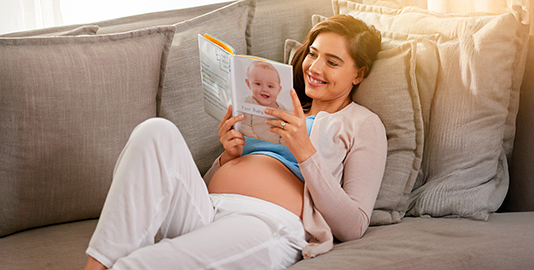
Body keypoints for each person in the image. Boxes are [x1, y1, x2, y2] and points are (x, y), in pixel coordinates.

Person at [84, 15, 385, 270]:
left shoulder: (361, 123)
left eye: (332, 62)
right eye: (313, 53)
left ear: (358, 74)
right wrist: (227, 157)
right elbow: (207, 183)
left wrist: (306, 152)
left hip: (265, 222)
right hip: (207, 208)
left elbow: (354, 225)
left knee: (146, 264)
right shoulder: (274, 104)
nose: (314, 68)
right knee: (155, 131)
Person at [240, 60, 288, 144]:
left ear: (279, 89)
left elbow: (286, 132)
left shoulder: (282, 110)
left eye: (270, 86)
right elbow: (244, 125)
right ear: (248, 84)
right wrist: (256, 143)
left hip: (277, 148)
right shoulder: (249, 102)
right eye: (258, 84)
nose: (264, 89)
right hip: (254, 145)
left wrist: (281, 145)